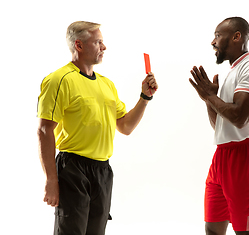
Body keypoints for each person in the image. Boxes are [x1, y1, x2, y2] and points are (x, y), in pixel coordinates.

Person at [37, 21, 158, 235]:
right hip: (73, 168)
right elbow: (45, 130)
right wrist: (51, 180)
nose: (104, 47)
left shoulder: (106, 84)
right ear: (79, 45)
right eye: (98, 42)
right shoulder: (59, 80)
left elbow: (125, 126)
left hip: (102, 170)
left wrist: (144, 97)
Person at [189, 17, 249, 235]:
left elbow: (240, 117)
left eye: (217, 35)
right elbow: (220, 127)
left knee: (244, 231)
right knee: (213, 229)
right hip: (222, 156)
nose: (213, 42)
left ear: (236, 37)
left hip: (245, 157)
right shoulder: (232, 72)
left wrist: (209, 96)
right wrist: (209, 100)